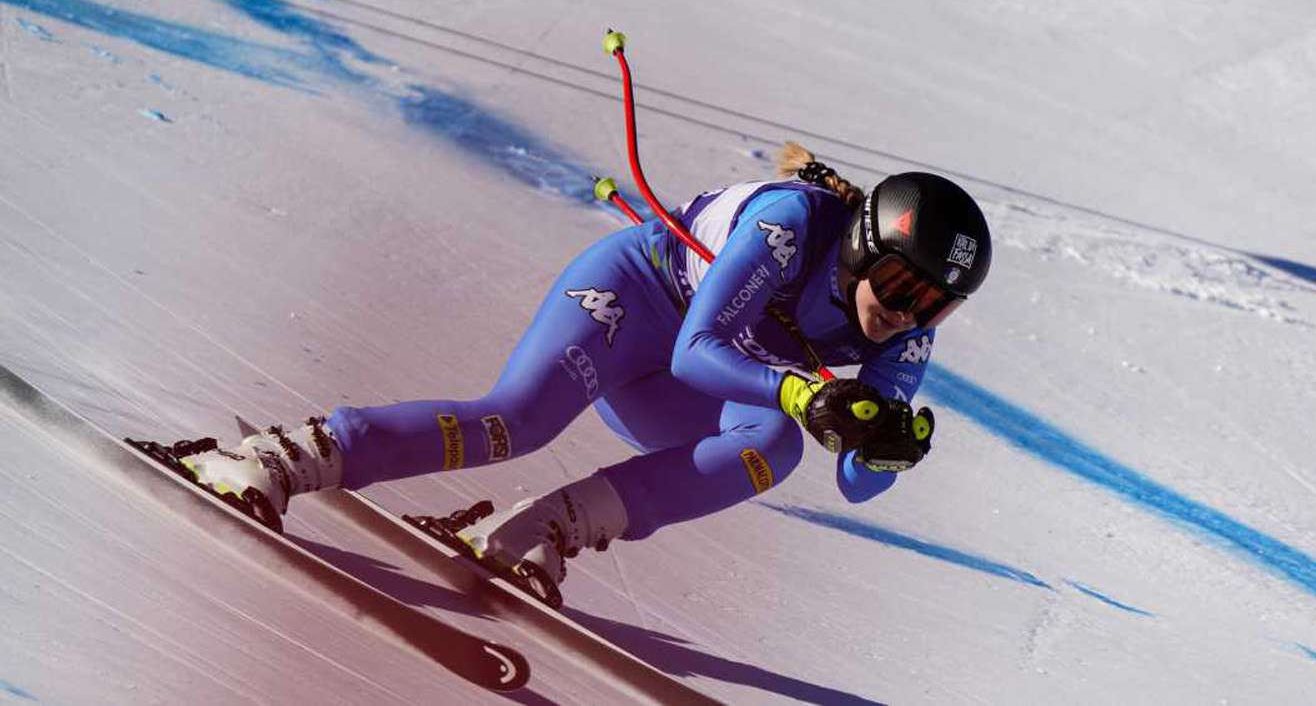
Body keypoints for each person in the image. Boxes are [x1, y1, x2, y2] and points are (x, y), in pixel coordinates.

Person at [182, 142, 992, 591]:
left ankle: (539, 529)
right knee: (515, 423)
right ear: (862, 247)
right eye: (894, 284)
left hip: (692, 382)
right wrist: (798, 389)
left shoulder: (903, 337)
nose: (903, 311)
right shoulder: (792, 222)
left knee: (772, 448)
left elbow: (858, 481)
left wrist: (882, 445)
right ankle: (275, 458)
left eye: (931, 305)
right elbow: (696, 349)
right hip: (635, 305)